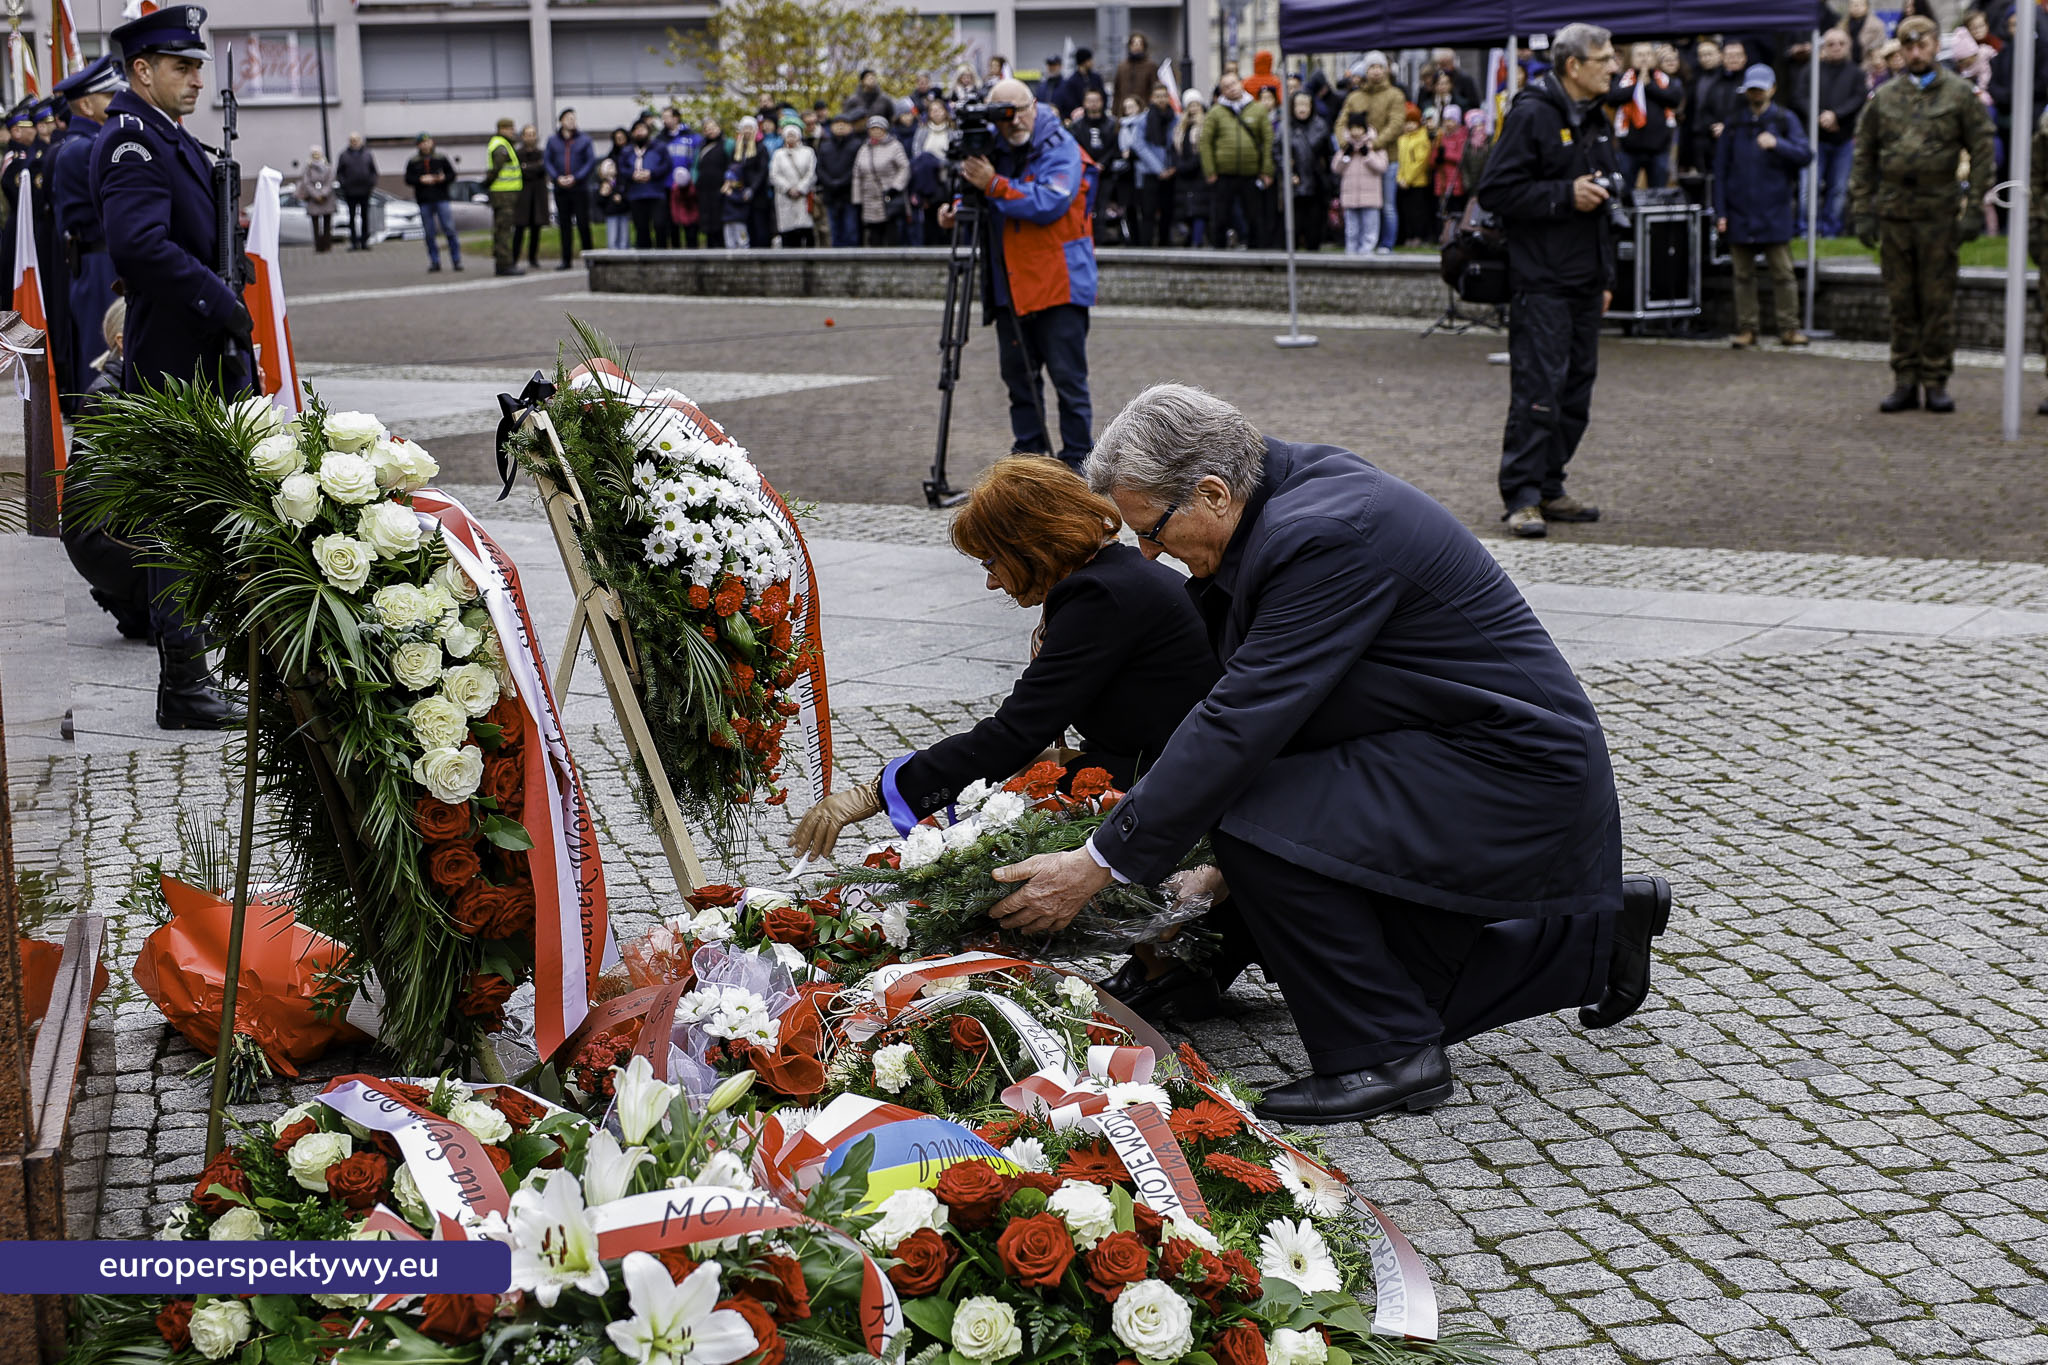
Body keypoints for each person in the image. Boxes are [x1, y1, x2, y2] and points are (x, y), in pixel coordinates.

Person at [983, 384, 1672, 1121]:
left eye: (1150, 530)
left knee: (1253, 811)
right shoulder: (1276, 494)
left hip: (1507, 772)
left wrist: (1098, 864)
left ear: (1211, 492)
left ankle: (1387, 1054)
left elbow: (1241, 720)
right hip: (1429, 749)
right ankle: (1592, 937)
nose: (1148, 552)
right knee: (1395, 975)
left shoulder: (1323, 531)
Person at [789, 456, 1220, 867]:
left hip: (1189, 793)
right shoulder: (1109, 578)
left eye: (993, 562)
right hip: (1174, 768)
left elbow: (1014, 733)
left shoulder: (1100, 596)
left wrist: (875, 793)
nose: (992, 582)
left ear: (1033, 546)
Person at [89, 3, 247, 729]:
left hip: (198, 352)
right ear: (142, 70)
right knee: (175, 519)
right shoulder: (132, 142)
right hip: (172, 355)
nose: (194, 79)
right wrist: (218, 296)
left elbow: (183, 233)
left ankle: (196, 673)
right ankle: (184, 683)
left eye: (197, 67)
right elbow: (138, 247)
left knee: (196, 511)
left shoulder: (165, 136)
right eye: (181, 67)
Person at [1476, 21, 1622, 540]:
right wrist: (1564, 195)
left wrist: (1607, 276)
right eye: (1604, 58)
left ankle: (1550, 485)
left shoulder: (1595, 117)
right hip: (1541, 281)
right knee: (1539, 391)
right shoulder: (1533, 113)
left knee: (1577, 391)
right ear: (1573, 66)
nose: (1614, 66)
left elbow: (1605, 201)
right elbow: (1496, 191)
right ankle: (1522, 496)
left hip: (1585, 280)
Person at [937, 77, 1098, 471]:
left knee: (1068, 382)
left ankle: (1079, 463)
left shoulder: (1061, 147)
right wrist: (959, 206)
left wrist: (993, 184)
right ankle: (1029, 459)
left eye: (1019, 111)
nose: (1013, 123)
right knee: (1019, 382)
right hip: (1009, 286)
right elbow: (978, 189)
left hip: (1058, 285)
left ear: (1035, 106)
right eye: (1003, 115)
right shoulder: (995, 144)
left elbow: (1049, 202)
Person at [1848, 14, 1996, 414]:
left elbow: (1983, 151)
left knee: (1936, 300)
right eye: (1908, 46)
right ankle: (1904, 378)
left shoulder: (1959, 94)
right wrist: (1862, 209)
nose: (1916, 53)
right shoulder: (1886, 97)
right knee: (1900, 300)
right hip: (1895, 212)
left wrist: (1973, 209)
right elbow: (1863, 156)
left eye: (1923, 45)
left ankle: (1935, 379)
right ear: (1900, 49)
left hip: (1938, 212)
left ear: (1935, 46)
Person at [1715, 66, 1813, 350]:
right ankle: (1747, 328)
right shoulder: (1734, 125)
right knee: (1742, 275)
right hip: (1739, 210)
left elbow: (1805, 154)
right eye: (1751, 89)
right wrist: (1720, 212)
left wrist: (1778, 144)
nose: (1755, 94)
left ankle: (1789, 328)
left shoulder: (1785, 119)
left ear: (1772, 89)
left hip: (1774, 209)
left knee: (1783, 272)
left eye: (1760, 88)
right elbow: (1720, 171)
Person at [50, 56, 122, 389]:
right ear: (87, 104)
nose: (116, 103)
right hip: (100, 259)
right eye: (109, 98)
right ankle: (100, 428)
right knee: (105, 346)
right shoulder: (88, 149)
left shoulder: (85, 145)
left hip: (97, 258)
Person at [1200, 69, 1272, 249]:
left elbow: (1268, 140)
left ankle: (1258, 250)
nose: (1231, 89)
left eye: (1233, 84)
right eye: (1226, 86)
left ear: (1241, 84)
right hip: (1223, 173)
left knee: (1254, 215)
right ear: (1222, 91)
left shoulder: (1257, 109)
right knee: (1221, 215)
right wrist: (1210, 170)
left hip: (1251, 172)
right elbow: (1206, 142)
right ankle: (1219, 250)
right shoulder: (1216, 112)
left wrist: (1266, 170)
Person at [1341, 53, 1407, 249]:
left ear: (1386, 69)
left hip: (1387, 158)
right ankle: (1362, 244)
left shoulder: (1395, 95)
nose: (1376, 71)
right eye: (1372, 67)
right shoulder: (1355, 97)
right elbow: (1341, 123)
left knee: (1387, 205)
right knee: (1362, 204)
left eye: (1380, 66)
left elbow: (1396, 124)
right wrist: (1345, 144)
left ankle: (1386, 244)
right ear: (1365, 70)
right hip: (1358, 160)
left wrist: (1373, 144)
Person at [1811, 30, 1866, 240]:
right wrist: (1820, 116)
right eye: (1831, 43)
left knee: (1839, 188)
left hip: (1843, 139)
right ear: (1824, 46)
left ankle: (1831, 230)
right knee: (1812, 187)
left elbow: (1858, 98)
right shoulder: (1813, 70)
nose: (1836, 47)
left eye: (1841, 43)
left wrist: (1836, 115)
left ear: (1848, 46)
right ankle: (1809, 230)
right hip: (1817, 139)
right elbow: (1800, 97)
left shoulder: (1856, 73)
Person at [1613, 42, 1682, 189]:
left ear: (1654, 58)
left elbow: (1674, 99)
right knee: (1625, 193)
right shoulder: (1622, 80)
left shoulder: (1666, 80)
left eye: (1648, 54)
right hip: (1629, 149)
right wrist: (1638, 85)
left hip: (1659, 149)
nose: (1644, 58)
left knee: (1659, 193)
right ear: (1632, 59)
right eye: (1640, 55)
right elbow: (1613, 97)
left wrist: (1649, 85)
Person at [546, 108, 595, 269]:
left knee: (583, 223)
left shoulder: (584, 140)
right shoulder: (553, 141)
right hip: (561, 189)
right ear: (561, 121)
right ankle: (566, 260)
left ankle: (589, 258)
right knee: (565, 225)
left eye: (573, 118)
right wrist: (557, 177)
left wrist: (577, 177)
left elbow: (590, 162)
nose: (571, 121)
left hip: (579, 188)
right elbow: (548, 162)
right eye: (568, 119)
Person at [404, 134, 461, 272]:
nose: (425, 145)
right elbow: (408, 179)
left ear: (432, 143)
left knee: (449, 229)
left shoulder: (440, 158)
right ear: (418, 145)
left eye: (427, 142)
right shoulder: (413, 161)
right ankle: (434, 261)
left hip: (441, 198)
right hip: (424, 200)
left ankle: (456, 260)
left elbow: (452, 175)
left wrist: (442, 178)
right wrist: (420, 180)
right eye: (422, 143)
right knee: (429, 233)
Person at [1332, 114, 1389, 254]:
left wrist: (1367, 155)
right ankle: (1351, 252)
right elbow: (1335, 168)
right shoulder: (1345, 147)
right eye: (1353, 128)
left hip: (1370, 196)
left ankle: (1367, 251)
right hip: (1350, 196)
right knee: (1351, 228)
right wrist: (1346, 156)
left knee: (1370, 227)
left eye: (1359, 128)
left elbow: (1382, 166)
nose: (1356, 132)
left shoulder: (1374, 146)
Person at [1283, 89, 1332, 251]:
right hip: (1295, 183)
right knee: (1295, 223)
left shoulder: (1320, 126)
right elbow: (1278, 153)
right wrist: (1289, 172)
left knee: (1314, 224)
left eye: (1306, 105)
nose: (1302, 109)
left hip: (1315, 182)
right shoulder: (1286, 127)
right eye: (1298, 105)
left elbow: (1328, 154)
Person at [851, 114, 907, 246]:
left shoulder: (894, 146)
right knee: (873, 233)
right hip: (869, 197)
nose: (875, 131)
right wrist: (857, 199)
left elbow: (904, 167)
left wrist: (896, 187)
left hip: (888, 196)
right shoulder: (864, 148)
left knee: (891, 231)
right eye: (872, 128)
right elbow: (857, 174)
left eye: (879, 128)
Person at [1132, 84, 1177, 247]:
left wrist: (1173, 167)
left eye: (1164, 96)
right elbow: (1139, 145)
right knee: (1148, 212)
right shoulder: (1144, 119)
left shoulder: (1175, 118)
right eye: (1157, 96)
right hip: (1150, 172)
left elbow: (1177, 143)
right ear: (1152, 98)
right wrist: (1158, 168)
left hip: (1170, 171)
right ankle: (1146, 245)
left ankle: (1166, 243)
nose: (1161, 100)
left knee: (1168, 211)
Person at [621, 117, 672, 251]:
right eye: (636, 130)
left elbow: (667, 165)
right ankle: (645, 256)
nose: (639, 132)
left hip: (656, 192)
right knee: (641, 227)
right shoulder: (627, 151)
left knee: (660, 224)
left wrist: (651, 173)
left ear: (648, 132)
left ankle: (662, 254)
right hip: (636, 194)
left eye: (642, 129)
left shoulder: (659, 147)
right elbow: (621, 168)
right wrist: (632, 174)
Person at [769, 112, 816, 247]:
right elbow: (774, 175)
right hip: (785, 197)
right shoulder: (778, 154)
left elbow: (811, 173)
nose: (790, 138)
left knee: (806, 231)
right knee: (788, 234)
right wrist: (788, 189)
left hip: (803, 197)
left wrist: (800, 189)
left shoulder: (808, 152)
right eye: (788, 135)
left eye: (793, 135)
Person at [484, 116, 523, 273]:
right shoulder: (501, 146)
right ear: (502, 129)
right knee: (504, 230)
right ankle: (504, 264)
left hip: (505, 194)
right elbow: (497, 169)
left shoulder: (504, 144)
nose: (513, 131)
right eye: (510, 128)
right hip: (503, 194)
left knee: (502, 229)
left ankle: (503, 262)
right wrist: (487, 182)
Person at [816, 113, 861, 247]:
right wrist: (830, 183)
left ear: (850, 127)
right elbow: (819, 168)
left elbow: (857, 168)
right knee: (834, 231)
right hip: (830, 195)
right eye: (837, 123)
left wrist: (842, 182)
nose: (840, 126)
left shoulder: (857, 144)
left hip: (849, 195)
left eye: (844, 124)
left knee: (851, 230)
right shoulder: (824, 145)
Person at [1172, 92, 1209, 246]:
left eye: (1196, 105)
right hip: (1183, 173)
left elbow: (1203, 150)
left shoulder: (1205, 125)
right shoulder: (1181, 127)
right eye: (1190, 106)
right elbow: (1175, 148)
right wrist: (1179, 165)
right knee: (1185, 208)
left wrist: (1191, 164)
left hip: (1198, 173)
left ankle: (1197, 240)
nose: (1193, 109)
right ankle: (1188, 238)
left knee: (1199, 209)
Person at [1394, 105, 1435, 245]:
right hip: (1403, 181)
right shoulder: (1402, 139)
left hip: (1418, 181)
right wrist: (1400, 178)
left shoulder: (1422, 139)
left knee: (1418, 211)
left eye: (1412, 122)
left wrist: (1409, 179)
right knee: (1406, 211)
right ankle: (1409, 235)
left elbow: (1421, 162)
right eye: (1407, 122)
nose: (1410, 126)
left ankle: (1418, 236)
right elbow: (1400, 161)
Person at [512, 123, 548, 270]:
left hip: (538, 195)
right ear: (523, 137)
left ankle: (533, 258)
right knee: (519, 228)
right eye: (528, 134)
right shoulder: (517, 154)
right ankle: (514, 258)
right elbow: (521, 171)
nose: (531, 137)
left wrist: (528, 167)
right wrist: (534, 167)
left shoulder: (542, 153)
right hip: (523, 196)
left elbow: (543, 168)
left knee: (536, 229)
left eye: (533, 134)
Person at [337, 130, 378, 251]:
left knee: (365, 217)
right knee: (351, 217)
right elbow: (340, 173)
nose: (354, 142)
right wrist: (344, 185)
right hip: (350, 191)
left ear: (360, 141)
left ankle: (365, 241)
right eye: (352, 140)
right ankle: (354, 242)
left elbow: (373, 171)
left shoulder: (367, 154)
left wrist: (371, 184)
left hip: (365, 191)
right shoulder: (344, 155)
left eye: (356, 140)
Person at [294, 144, 336, 253]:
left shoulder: (328, 167)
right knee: (315, 224)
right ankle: (318, 245)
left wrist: (323, 193)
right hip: (313, 199)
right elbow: (306, 183)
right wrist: (316, 195)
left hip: (327, 199)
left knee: (327, 223)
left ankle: (327, 245)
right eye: (314, 154)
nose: (316, 156)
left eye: (318, 153)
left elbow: (330, 182)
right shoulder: (308, 168)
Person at [1113, 31, 1158, 115]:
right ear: (1130, 46)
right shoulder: (1122, 67)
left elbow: (1154, 89)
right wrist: (1115, 112)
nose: (1137, 47)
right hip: (1124, 110)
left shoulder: (1150, 66)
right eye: (1134, 44)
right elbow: (1117, 91)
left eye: (1140, 44)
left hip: (1143, 109)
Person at [1057, 48, 1103, 121]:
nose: (1092, 62)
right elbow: (1069, 103)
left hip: (1097, 116)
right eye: (1090, 60)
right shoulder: (1072, 81)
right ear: (1084, 61)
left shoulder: (1096, 78)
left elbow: (1103, 95)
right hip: (1078, 118)